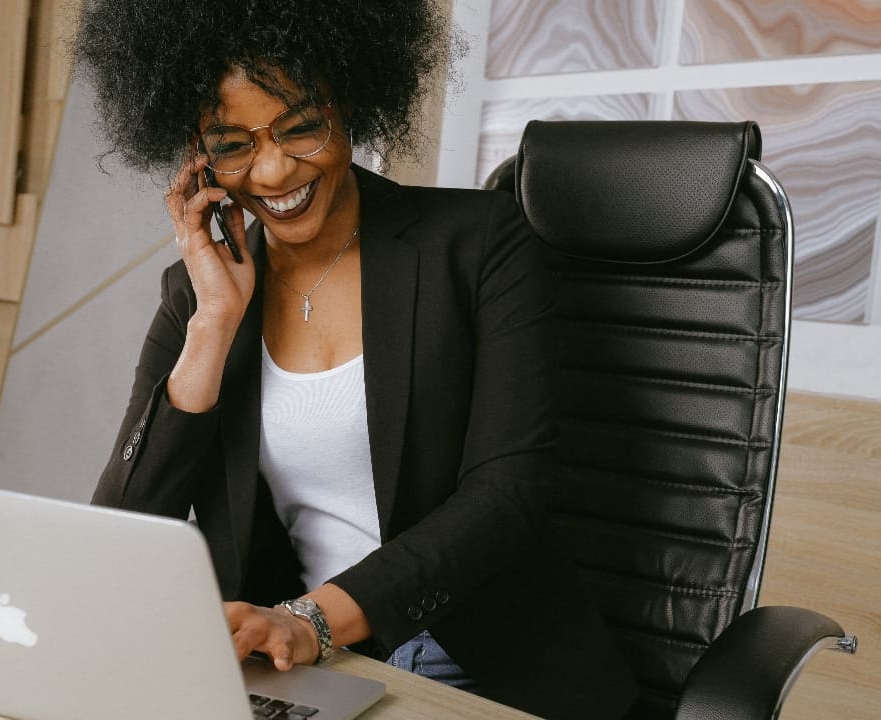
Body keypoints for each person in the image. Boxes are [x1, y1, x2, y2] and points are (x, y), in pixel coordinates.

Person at [76, 2, 638, 718]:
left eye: (300, 127)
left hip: (474, 658)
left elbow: (508, 493)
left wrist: (310, 619)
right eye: (233, 143)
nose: (274, 171)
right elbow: (121, 530)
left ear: (351, 102)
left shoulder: (480, 246)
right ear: (198, 154)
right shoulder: (198, 294)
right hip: (294, 670)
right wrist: (214, 321)